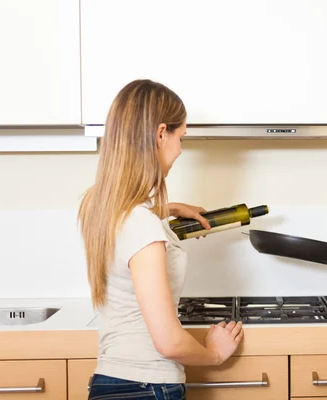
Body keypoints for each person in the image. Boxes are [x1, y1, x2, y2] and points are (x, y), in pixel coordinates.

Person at [78, 79, 244, 400]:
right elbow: (168, 341)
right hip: (148, 386)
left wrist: (166, 209)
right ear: (160, 134)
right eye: (181, 137)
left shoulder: (95, 206)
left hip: (108, 382)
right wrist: (215, 354)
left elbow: (126, 217)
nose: (180, 149)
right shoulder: (142, 226)